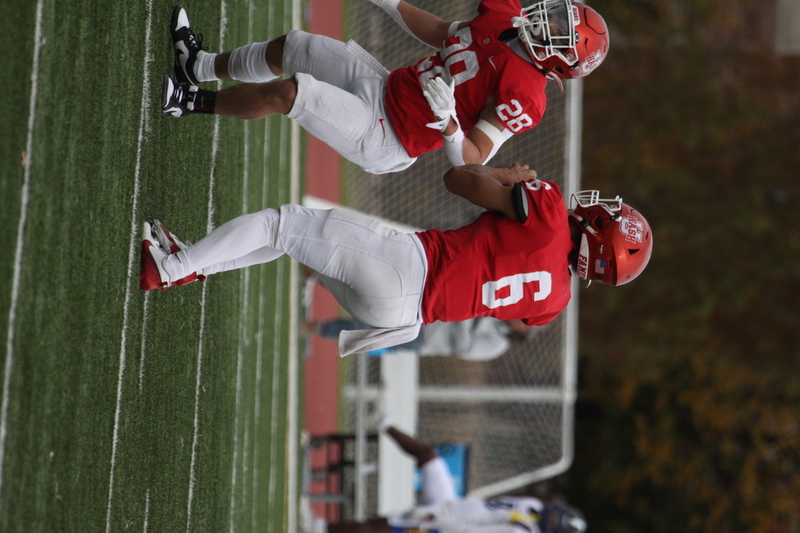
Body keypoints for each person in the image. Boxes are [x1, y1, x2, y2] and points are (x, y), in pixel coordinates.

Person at [139, 163, 653, 356]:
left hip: (408, 267)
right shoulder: (556, 302)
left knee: (285, 222)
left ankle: (170, 268)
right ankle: (193, 263)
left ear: (599, 232)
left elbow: (460, 179)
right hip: (401, 320)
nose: (597, 206)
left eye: (607, 213)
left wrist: (511, 177)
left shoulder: (548, 214)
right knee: (296, 239)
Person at [161, 0, 609, 173]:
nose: (546, 19)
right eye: (556, 15)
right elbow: (440, 32)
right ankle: (198, 65)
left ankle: (190, 103)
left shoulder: (525, 96)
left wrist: (450, 124)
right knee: (292, 46)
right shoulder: (503, 17)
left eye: (558, 30)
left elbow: (471, 158)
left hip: (389, 136)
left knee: (293, 92)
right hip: (383, 85)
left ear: (561, 59)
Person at [301, 422, 588, 533]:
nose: (550, 517)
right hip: (451, 504)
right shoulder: (533, 509)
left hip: (445, 523)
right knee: (428, 456)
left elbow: (470, 532)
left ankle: (319, 527)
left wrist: (436, 523)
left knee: (380, 528)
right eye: (555, 515)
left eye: (554, 523)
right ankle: (383, 422)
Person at [304, 315, 532, 360]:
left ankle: (316, 328)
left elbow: (463, 348)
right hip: (426, 309)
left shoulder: (497, 344)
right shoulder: (498, 304)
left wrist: (467, 313)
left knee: (363, 329)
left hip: (423, 337)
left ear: (524, 331)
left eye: (526, 321)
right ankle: (317, 277)